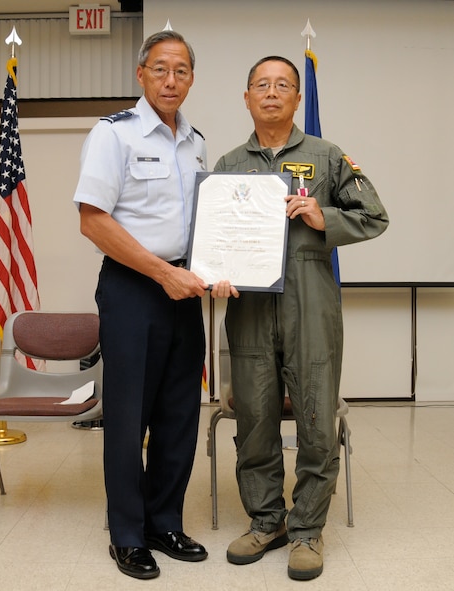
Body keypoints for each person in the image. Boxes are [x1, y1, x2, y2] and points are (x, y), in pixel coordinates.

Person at [213, 56, 389, 581]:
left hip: (310, 303)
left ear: (296, 99)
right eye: (261, 85)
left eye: (283, 85)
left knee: (315, 421)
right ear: (246, 98)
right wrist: (214, 272)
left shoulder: (327, 156)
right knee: (255, 419)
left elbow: (374, 215)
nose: (272, 93)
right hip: (248, 307)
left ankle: (308, 529)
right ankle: (267, 521)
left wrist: (323, 216)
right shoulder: (227, 166)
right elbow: (213, 239)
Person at [73, 30, 210, 580]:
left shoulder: (196, 141)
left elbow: (203, 221)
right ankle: (127, 533)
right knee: (128, 417)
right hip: (134, 288)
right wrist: (161, 274)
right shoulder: (114, 135)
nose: (170, 80)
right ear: (141, 74)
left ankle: (164, 522)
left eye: (180, 70)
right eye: (160, 69)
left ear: (191, 78)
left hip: (184, 289)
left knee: (180, 414)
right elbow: (92, 220)